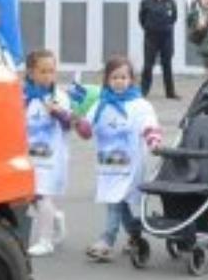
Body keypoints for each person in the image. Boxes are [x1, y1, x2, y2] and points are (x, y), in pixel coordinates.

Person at [79, 55, 163, 261]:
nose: (119, 81)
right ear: (107, 79)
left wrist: (153, 140)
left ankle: (106, 241)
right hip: (108, 164)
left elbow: (149, 124)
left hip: (130, 164)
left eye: (124, 77)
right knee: (120, 202)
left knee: (115, 202)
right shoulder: (100, 104)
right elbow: (87, 129)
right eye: (115, 77)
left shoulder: (139, 104)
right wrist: (77, 122)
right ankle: (135, 234)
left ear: (131, 79)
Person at [22, 49, 74, 256]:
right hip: (28, 154)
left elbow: (69, 124)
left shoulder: (58, 96)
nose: (47, 76)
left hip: (51, 156)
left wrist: (58, 113)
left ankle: (45, 240)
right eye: (42, 71)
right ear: (31, 73)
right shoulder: (23, 95)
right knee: (30, 195)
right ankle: (55, 217)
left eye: (51, 71)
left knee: (42, 194)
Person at [138, 0, 180, 99]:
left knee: (167, 64)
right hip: (151, 38)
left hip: (166, 38)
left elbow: (174, 18)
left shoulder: (170, 2)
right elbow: (141, 19)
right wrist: (149, 28)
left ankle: (170, 92)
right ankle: (143, 91)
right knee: (148, 65)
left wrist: (166, 28)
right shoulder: (146, 2)